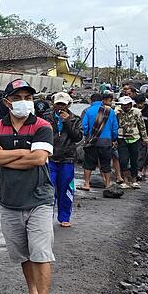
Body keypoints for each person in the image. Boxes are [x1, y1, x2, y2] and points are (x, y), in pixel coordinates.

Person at [0, 78, 55, 294]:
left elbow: (39, 159)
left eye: (28, 98)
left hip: (38, 198)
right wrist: (23, 152)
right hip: (10, 200)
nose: (24, 102)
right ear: (7, 102)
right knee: (22, 253)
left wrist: (7, 157)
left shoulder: (42, 125)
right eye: (17, 98)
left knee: (40, 252)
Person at [44, 92, 82, 227]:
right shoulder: (46, 117)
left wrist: (67, 122)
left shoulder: (75, 119)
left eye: (63, 104)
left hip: (67, 158)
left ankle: (64, 217)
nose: (60, 107)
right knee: (49, 189)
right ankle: (47, 217)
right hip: (50, 158)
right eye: (58, 104)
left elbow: (77, 137)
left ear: (68, 105)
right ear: (53, 104)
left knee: (66, 189)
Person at [80, 90, 118, 191]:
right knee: (106, 163)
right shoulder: (110, 111)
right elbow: (115, 128)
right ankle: (108, 184)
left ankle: (87, 184)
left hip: (92, 141)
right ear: (101, 100)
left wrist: (88, 136)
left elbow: (84, 126)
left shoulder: (88, 111)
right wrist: (113, 139)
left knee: (88, 163)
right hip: (106, 142)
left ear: (91, 101)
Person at [115, 96, 148, 189]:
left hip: (135, 138)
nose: (124, 107)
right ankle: (125, 180)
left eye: (125, 105)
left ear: (130, 105)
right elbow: (114, 126)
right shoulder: (117, 113)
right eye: (122, 105)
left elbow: (142, 126)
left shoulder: (137, 112)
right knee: (123, 160)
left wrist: (145, 138)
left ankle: (134, 180)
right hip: (121, 138)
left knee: (134, 160)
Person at [135, 94, 148, 179]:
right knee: (137, 154)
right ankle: (137, 170)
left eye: (141, 103)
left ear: (144, 102)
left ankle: (143, 170)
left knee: (146, 154)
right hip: (135, 135)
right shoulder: (134, 110)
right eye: (138, 103)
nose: (139, 105)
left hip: (147, 135)